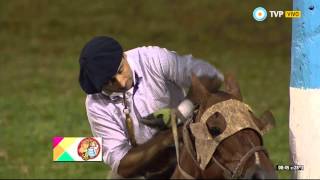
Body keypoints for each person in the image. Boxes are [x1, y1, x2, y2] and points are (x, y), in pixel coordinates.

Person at [78, 36, 224, 178]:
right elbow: (122, 165)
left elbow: (211, 76)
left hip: (190, 150)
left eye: (120, 70)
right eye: (109, 82)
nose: (121, 83)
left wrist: (180, 113)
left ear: (124, 55)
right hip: (142, 165)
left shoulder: (152, 59)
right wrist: (165, 138)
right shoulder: (96, 103)